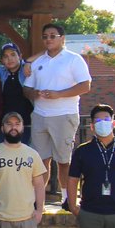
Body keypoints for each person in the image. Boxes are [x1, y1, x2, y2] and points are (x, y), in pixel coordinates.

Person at [24, 23, 92, 206]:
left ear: (62, 38)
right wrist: (34, 93)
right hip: (39, 115)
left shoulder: (73, 59)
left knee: (63, 160)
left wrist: (58, 94)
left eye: (52, 36)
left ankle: (68, 199)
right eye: (45, 36)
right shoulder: (37, 62)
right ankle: (38, 201)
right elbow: (27, 88)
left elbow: (85, 86)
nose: (48, 39)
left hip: (64, 114)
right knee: (40, 161)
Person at [0, 42, 34, 144]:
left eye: (13, 54)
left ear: (20, 56)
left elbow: (44, 55)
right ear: (2, 60)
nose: (10, 59)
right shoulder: (1, 72)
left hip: (27, 125)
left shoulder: (27, 70)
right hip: (5, 126)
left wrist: (28, 62)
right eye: (6, 56)